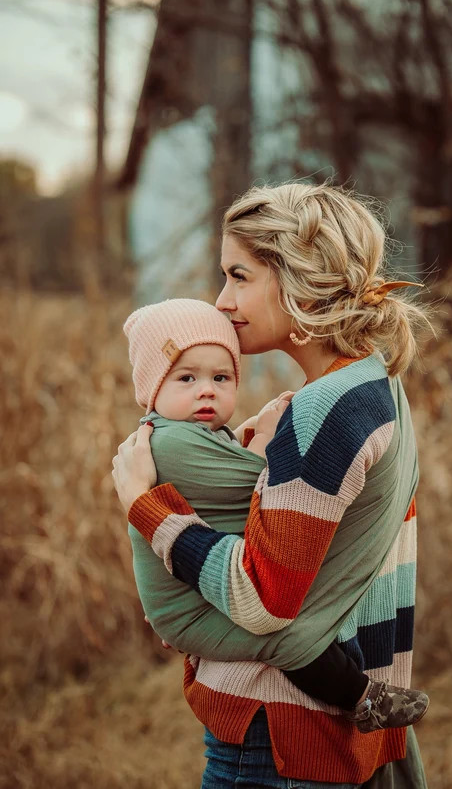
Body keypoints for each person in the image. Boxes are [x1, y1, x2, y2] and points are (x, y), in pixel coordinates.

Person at [113, 181, 430, 788]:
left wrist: (146, 506)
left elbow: (261, 599)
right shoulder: (377, 383)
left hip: (275, 729)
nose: (222, 300)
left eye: (239, 275)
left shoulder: (323, 412)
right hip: (323, 719)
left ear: (296, 275)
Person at [122, 296, 429, 733]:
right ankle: (363, 699)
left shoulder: (199, 434)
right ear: (153, 387)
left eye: (221, 377)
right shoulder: (167, 444)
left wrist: (252, 434)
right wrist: (269, 439)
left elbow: (244, 482)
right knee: (289, 638)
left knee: (283, 632)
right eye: (186, 377)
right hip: (184, 609)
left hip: (194, 591)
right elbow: (270, 486)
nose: (206, 389)